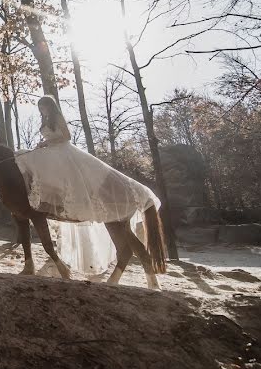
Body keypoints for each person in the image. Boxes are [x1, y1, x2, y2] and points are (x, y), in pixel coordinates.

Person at [15, 95, 158, 274]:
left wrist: (47, 142)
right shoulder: (46, 120)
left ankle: (50, 197)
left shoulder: (57, 118)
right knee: (22, 155)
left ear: (50, 107)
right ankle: (37, 195)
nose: (42, 110)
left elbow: (66, 136)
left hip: (62, 152)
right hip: (50, 151)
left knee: (33, 161)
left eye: (44, 107)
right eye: (40, 108)